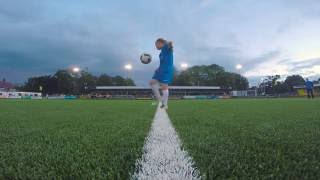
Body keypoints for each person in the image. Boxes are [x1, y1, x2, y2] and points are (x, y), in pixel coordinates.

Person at [150, 38, 174, 110]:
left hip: (166, 70)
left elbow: (169, 44)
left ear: (160, 43)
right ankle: (160, 100)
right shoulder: (160, 54)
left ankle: (164, 104)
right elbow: (162, 63)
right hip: (160, 70)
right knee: (152, 83)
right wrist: (158, 68)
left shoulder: (165, 48)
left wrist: (167, 43)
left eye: (156, 44)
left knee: (164, 87)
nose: (156, 46)